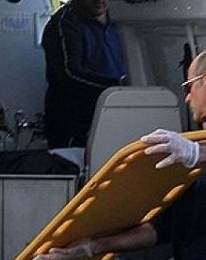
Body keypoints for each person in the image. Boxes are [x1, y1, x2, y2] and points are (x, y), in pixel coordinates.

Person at [33, 51, 206, 260]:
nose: (187, 97)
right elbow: (160, 229)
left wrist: (196, 153)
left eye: (189, 86)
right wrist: (92, 247)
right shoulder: (189, 163)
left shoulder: (193, 153)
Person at [41, 0, 127, 148]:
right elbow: (69, 74)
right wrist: (118, 87)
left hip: (116, 118)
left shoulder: (123, 22)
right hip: (74, 128)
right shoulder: (63, 25)